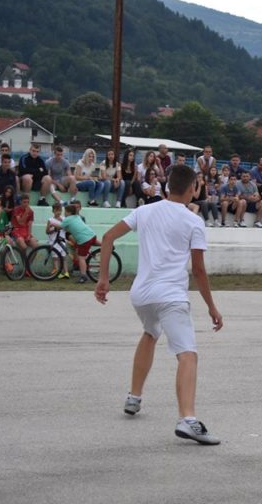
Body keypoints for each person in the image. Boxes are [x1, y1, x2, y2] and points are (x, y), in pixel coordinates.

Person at [95, 164, 223, 445]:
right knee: (188, 354)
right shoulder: (193, 221)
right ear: (193, 189)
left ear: (167, 187)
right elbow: (199, 271)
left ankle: (134, 397)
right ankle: (188, 419)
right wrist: (212, 307)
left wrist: (104, 279)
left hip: (141, 295)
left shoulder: (145, 211)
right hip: (170, 296)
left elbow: (107, 238)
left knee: (151, 333)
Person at [46, 203, 70, 279]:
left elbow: (67, 229)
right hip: (53, 241)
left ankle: (66, 272)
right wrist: (53, 229)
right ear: (53, 211)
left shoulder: (64, 219)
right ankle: (56, 272)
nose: (58, 212)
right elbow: (47, 231)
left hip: (61, 240)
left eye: (60, 210)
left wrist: (62, 225)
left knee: (63, 257)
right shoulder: (50, 220)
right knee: (55, 257)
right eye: (57, 210)